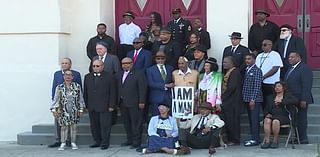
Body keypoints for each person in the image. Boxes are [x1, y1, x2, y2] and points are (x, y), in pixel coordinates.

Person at [48, 58, 82, 148]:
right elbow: (54, 87)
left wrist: (80, 106)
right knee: (59, 122)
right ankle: (58, 140)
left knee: (72, 123)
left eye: (66, 63)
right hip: (60, 104)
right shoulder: (57, 74)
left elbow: (79, 90)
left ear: (70, 64)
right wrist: (55, 105)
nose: (64, 65)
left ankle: (70, 140)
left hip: (72, 104)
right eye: (62, 63)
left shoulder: (76, 74)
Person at [83, 60, 117, 150]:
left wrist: (111, 105)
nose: (95, 68)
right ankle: (97, 141)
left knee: (105, 126)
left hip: (105, 106)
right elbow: (85, 92)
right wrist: (86, 105)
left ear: (102, 66)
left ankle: (105, 143)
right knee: (94, 125)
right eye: (93, 66)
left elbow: (113, 92)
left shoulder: (110, 76)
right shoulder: (87, 77)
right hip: (92, 106)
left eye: (97, 66)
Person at [117, 57, 147, 149]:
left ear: (132, 63)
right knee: (126, 123)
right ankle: (129, 140)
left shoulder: (139, 73)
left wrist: (142, 101)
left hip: (135, 102)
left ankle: (136, 142)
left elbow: (143, 88)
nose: (125, 65)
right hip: (123, 103)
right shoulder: (119, 74)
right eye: (123, 63)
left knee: (136, 123)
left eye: (127, 63)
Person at [285, 52, 313, 144]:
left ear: (298, 57)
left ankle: (303, 138)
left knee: (301, 118)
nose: (290, 59)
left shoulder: (304, 68)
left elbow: (307, 85)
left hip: (301, 98)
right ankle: (296, 137)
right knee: (295, 118)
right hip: (292, 98)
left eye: (292, 57)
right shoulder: (290, 68)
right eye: (289, 57)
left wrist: (304, 99)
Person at [261, 81, 299, 149]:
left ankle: (275, 140)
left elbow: (296, 101)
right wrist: (267, 114)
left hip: (284, 116)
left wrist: (282, 102)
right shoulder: (270, 97)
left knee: (276, 121)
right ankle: (267, 141)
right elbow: (266, 109)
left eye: (279, 86)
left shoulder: (288, 96)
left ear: (283, 88)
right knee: (267, 120)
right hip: (273, 115)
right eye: (276, 87)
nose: (277, 88)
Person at [256, 39, 283, 113]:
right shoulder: (259, 55)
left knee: (270, 102)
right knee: (263, 102)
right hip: (261, 83)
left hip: (271, 83)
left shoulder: (275, 54)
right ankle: (265, 118)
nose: (263, 46)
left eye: (265, 45)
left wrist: (264, 76)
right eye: (262, 45)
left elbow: (275, 68)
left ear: (270, 45)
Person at [242, 53, 263, 146]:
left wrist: (253, 99)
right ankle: (253, 137)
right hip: (246, 98)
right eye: (246, 59)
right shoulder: (246, 69)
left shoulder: (257, 70)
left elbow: (257, 86)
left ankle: (256, 139)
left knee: (254, 119)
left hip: (254, 99)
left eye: (249, 59)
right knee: (250, 119)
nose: (247, 61)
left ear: (254, 60)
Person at [221, 56, 242, 146]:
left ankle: (235, 139)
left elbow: (232, 87)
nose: (223, 64)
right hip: (228, 100)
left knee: (232, 121)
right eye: (223, 62)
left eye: (225, 62)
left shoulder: (235, 72)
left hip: (233, 101)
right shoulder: (228, 72)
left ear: (232, 63)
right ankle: (230, 138)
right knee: (228, 120)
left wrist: (223, 96)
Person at [146, 51, 174, 116]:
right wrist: (165, 85)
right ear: (155, 59)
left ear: (165, 59)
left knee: (169, 116)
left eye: (162, 58)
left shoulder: (170, 68)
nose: (160, 60)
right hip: (156, 97)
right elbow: (150, 83)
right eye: (158, 58)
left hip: (168, 97)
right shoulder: (150, 70)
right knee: (156, 116)